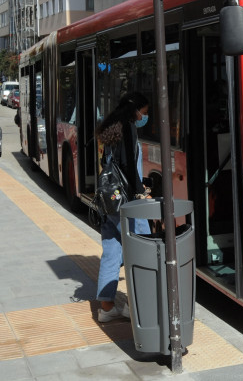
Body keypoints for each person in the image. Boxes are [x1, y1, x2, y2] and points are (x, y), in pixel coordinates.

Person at [94, 91, 152, 323]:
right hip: (126, 201)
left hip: (110, 200)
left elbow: (108, 164)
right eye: (144, 113)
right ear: (135, 110)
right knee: (144, 247)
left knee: (112, 250)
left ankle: (106, 308)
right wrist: (140, 191)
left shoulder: (110, 128)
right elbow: (128, 165)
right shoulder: (127, 128)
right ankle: (133, 305)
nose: (144, 117)